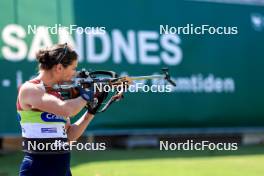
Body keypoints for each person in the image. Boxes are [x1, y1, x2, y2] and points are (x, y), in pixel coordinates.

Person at [17, 43, 106, 176]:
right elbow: (66, 109)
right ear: (59, 67)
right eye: (73, 68)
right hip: (38, 169)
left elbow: (68, 136)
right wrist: (89, 94)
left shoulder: (57, 94)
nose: (75, 73)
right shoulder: (30, 89)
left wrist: (90, 112)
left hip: (63, 169)